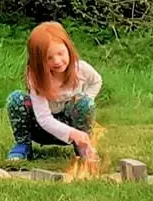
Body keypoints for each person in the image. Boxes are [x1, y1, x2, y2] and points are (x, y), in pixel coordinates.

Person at [6, 21, 102, 161]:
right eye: (49, 58)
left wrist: (87, 97)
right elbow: (44, 118)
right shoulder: (36, 78)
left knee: (85, 103)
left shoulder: (80, 68)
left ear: (68, 48)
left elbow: (96, 81)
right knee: (16, 99)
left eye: (60, 53)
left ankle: (82, 146)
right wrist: (71, 133)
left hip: (72, 126)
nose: (57, 61)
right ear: (38, 61)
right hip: (42, 129)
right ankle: (23, 145)